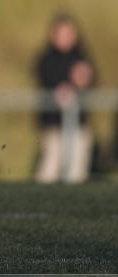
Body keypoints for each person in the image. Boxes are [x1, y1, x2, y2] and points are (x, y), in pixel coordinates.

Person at [34, 14, 97, 184]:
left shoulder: (81, 57)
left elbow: (91, 79)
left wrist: (84, 78)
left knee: (77, 172)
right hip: (53, 125)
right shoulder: (46, 59)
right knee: (49, 169)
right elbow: (47, 79)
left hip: (79, 125)